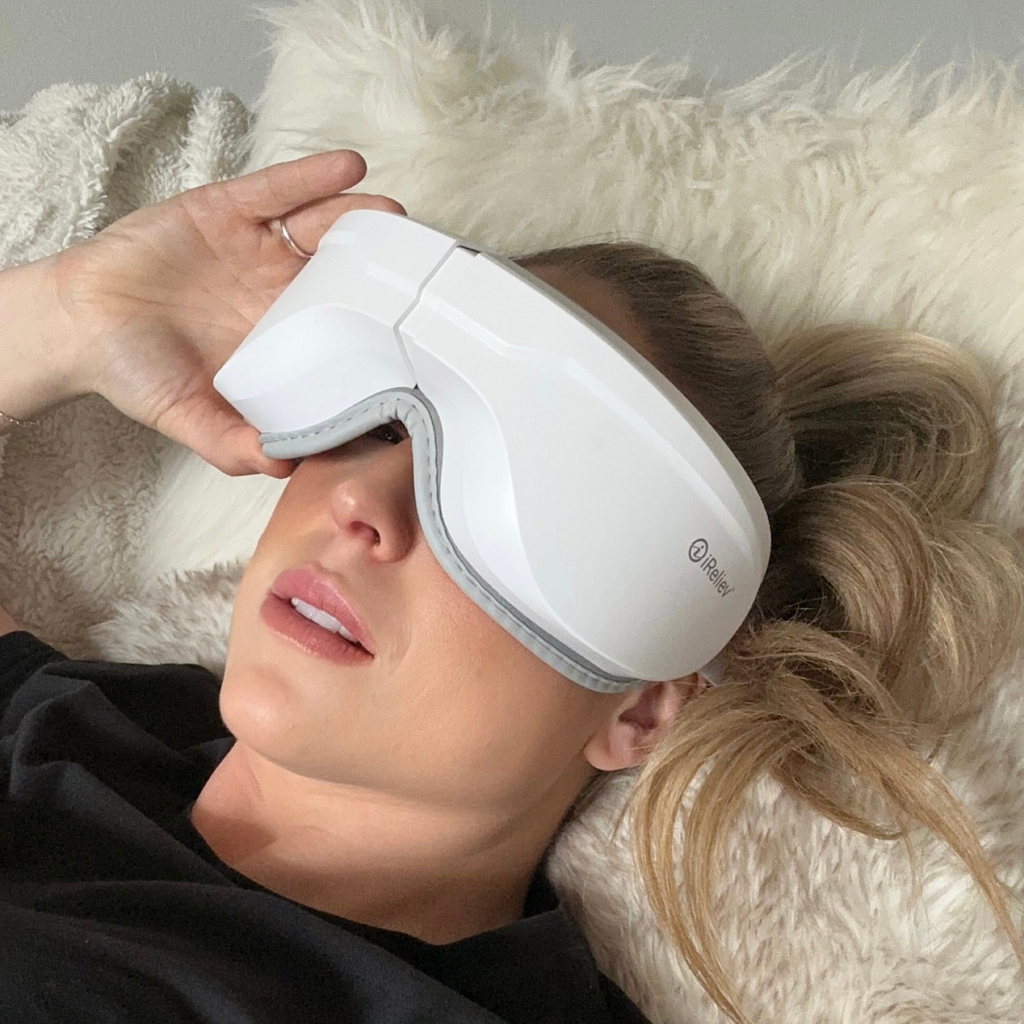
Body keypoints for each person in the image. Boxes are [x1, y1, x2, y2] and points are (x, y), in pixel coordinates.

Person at [1, 147, 1023, 1024]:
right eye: (378, 421)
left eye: (518, 501)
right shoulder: (93, 726)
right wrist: (70, 313)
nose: (360, 500)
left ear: (640, 709)